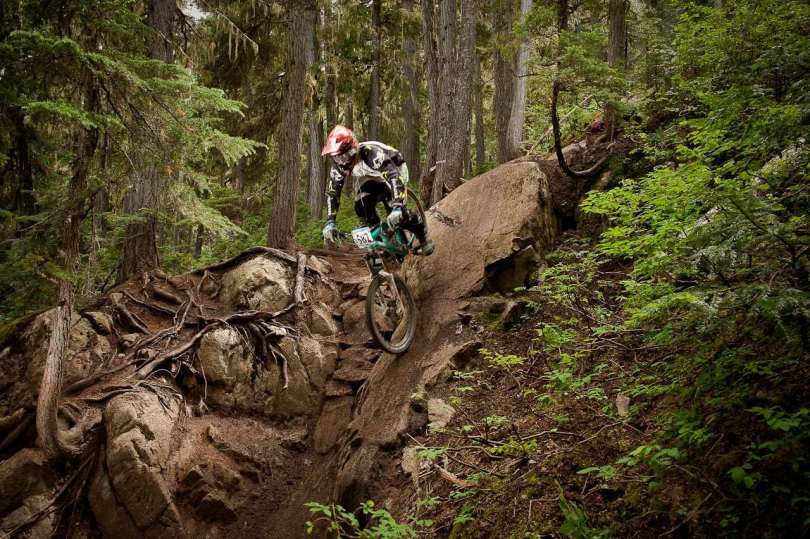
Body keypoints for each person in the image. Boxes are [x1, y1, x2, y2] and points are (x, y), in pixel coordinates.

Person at [320, 125, 434, 256]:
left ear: (352, 150)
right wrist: (330, 221)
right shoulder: (338, 167)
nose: (341, 162)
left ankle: (422, 234)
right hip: (372, 175)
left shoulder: (371, 154)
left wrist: (398, 205)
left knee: (396, 213)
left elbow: (393, 175)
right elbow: (333, 194)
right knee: (361, 205)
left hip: (395, 168)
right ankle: (380, 239)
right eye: (336, 158)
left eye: (343, 157)